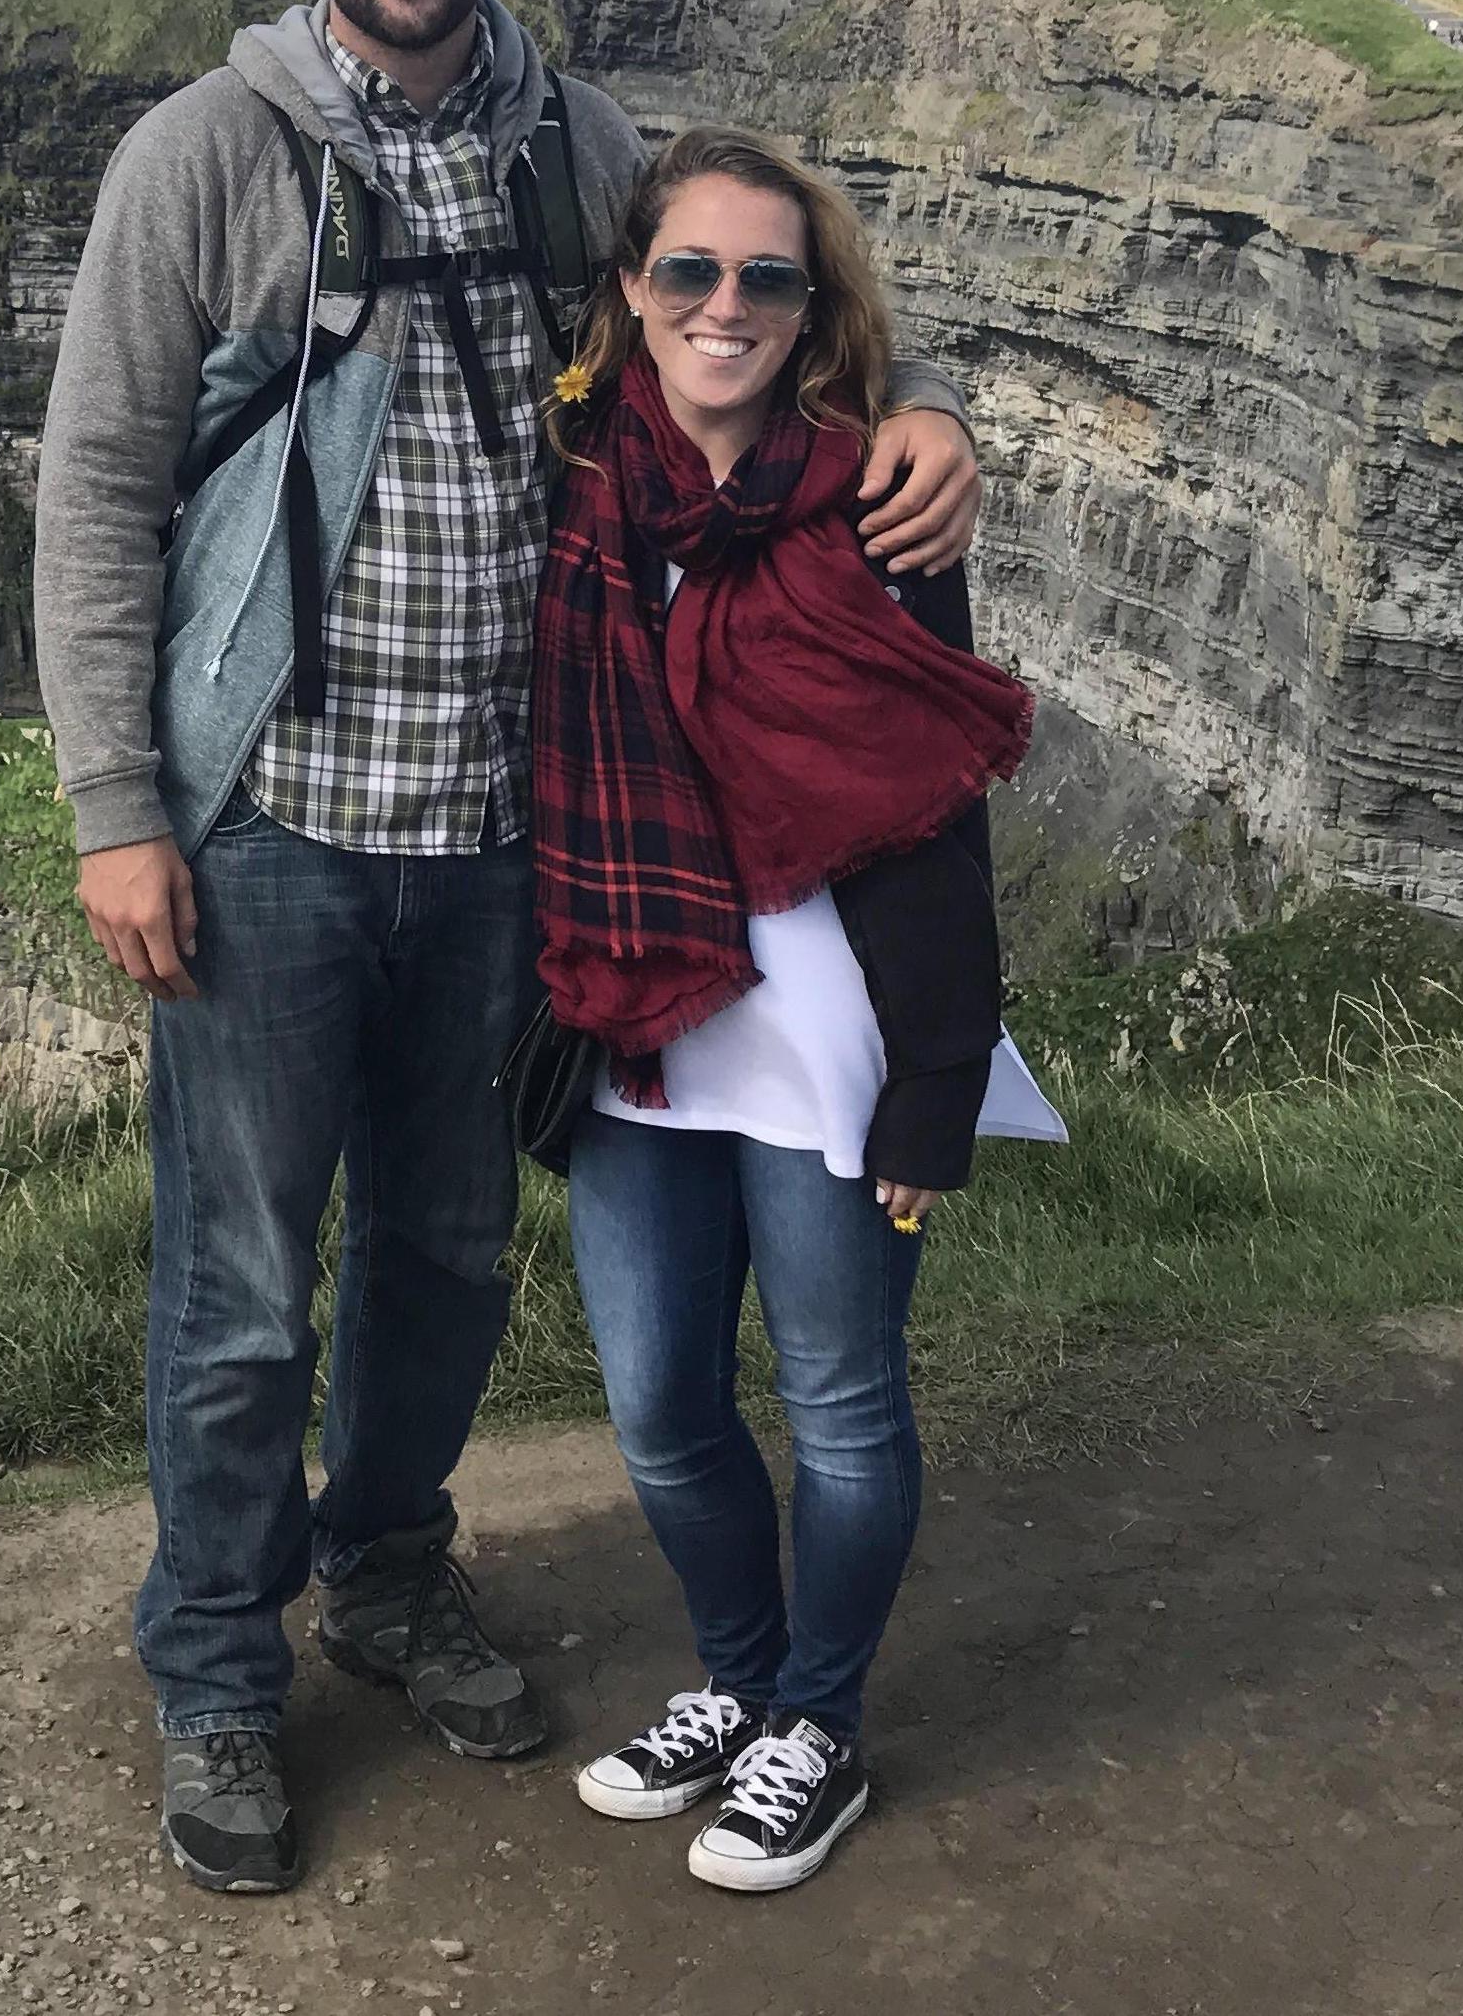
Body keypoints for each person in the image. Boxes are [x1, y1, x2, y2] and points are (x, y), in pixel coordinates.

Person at [32, 0, 984, 1897]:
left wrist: (932, 414)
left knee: (451, 1261)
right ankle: (211, 1667)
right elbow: (95, 485)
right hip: (271, 817)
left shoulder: (583, 148)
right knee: (246, 1282)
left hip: (508, 834)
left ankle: (383, 1577)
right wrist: (120, 805)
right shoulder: (204, 155)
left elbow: (759, 338)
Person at [531, 126, 1063, 1895]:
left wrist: (937, 1077)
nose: (725, 304)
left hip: (825, 1028)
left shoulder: (880, 502)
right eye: (688, 270)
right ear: (630, 290)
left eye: (768, 276)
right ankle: (735, 1681)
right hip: (639, 1010)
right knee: (661, 1403)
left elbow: (924, 798)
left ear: (815, 305)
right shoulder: (568, 476)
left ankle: (816, 1722)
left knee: (838, 1399)